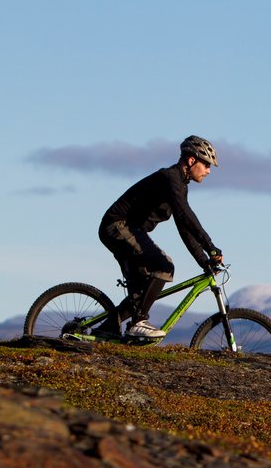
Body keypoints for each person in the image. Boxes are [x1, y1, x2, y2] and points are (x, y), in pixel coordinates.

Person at [95, 135, 223, 339]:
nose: (208, 171)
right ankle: (139, 323)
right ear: (192, 161)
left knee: (142, 293)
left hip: (128, 229)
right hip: (118, 225)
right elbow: (185, 215)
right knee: (163, 266)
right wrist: (211, 247)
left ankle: (107, 328)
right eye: (206, 164)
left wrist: (203, 260)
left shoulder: (180, 185)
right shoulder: (170, 178)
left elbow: (183, 227)